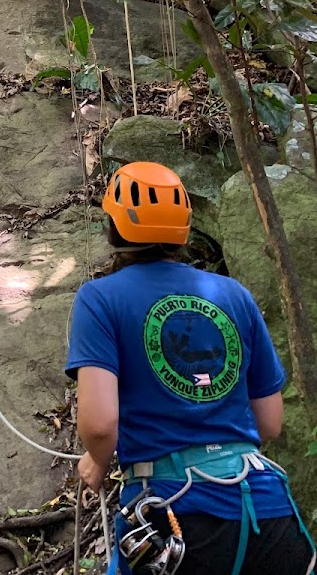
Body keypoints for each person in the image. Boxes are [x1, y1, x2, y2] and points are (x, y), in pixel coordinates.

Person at [66, 161, 315, 575]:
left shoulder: (100, 299)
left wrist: (97, 457)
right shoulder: (234, 294)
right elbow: (269, 423)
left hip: (175, 519)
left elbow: (98, 425)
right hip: (267, 512)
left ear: (114, 227)